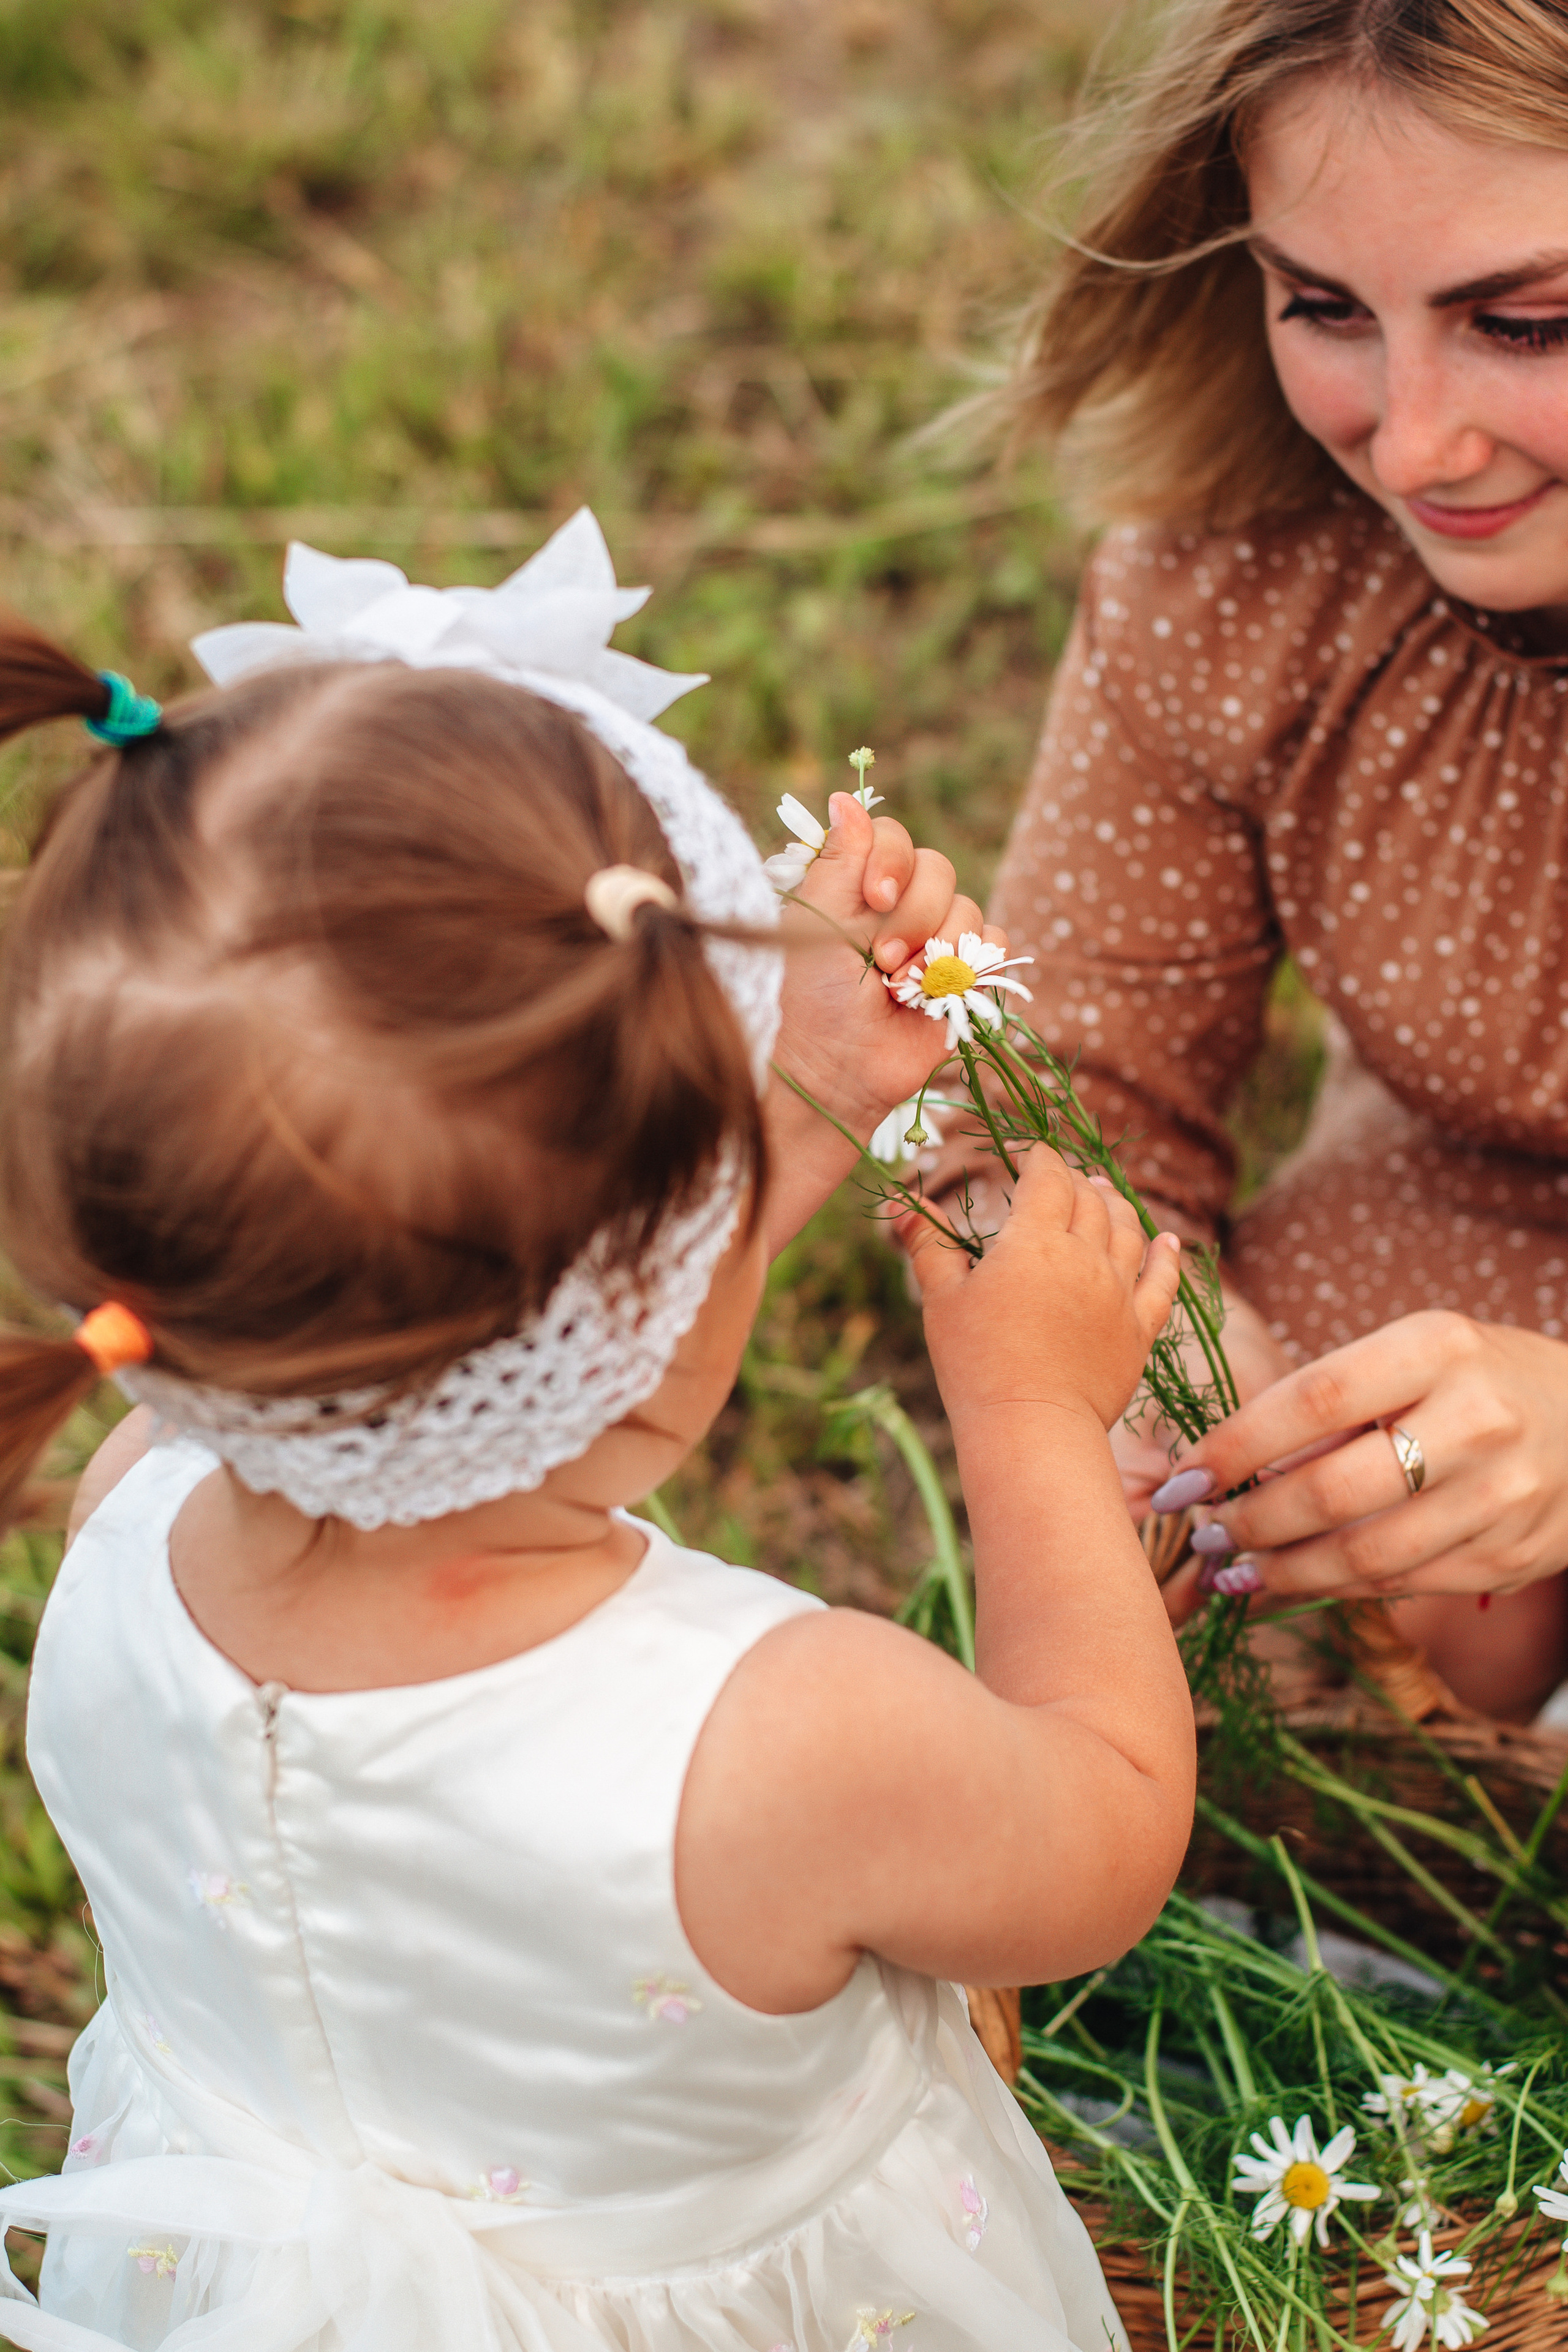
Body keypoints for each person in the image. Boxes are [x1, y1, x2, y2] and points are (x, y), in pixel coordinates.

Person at [0, 518, 1192, 2351]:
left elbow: (526, 1363)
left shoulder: (124, 1513)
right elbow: (1101, 1839)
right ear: (636, 1300)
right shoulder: (788, 1741)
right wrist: (1029, 1406)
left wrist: (774, 1133)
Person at [929, 0, 1568, 1722]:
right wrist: (1163, 1362)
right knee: (1334, 1597)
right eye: (1326, 308)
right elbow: (1072, 1100)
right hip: (1463, 1211)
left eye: (1529, 322)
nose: (1414, 443)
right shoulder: (1242, 583)